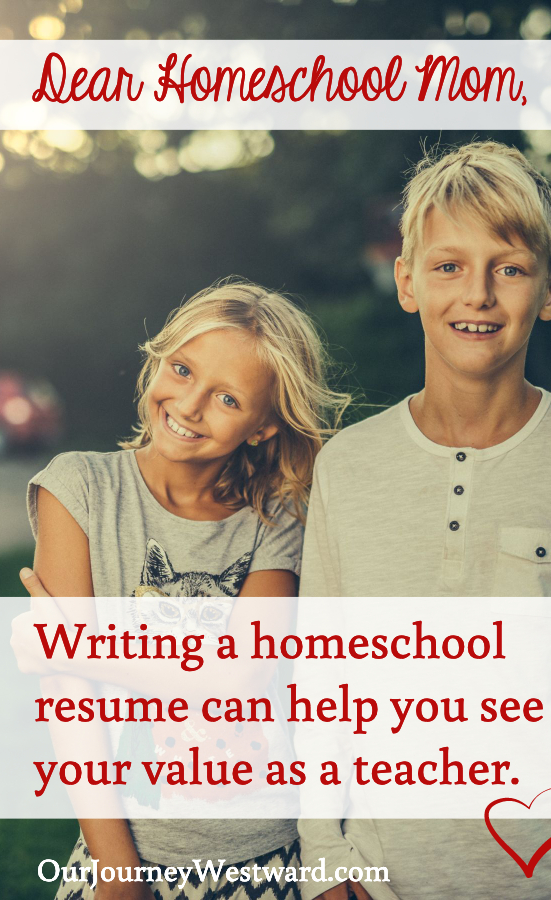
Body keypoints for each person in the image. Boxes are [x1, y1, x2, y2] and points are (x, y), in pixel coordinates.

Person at [297, 142, 551, 898]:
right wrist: (327, 865)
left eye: (511, 267)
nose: (479, 295)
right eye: (448, 266)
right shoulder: (349, 466)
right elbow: (322, 686)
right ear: (407, 282)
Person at [12, 278, 349, 900]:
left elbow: (238, 677)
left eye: (226, 398)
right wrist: (117, 872)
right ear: (158, 360)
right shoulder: (79, 487)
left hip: (267, 853)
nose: (189, 405)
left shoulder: (277, 517)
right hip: (123, 854)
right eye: (182, 369)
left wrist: (71, 647)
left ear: (263, 426)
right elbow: (71, 701)